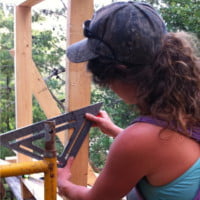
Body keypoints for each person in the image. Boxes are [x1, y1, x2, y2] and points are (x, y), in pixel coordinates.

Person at [57, 2, 200, 200]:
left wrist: (62, 182)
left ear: (118, 69)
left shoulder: (137, 141)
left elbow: (95, 199)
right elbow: (165, 152)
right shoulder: (188, 109)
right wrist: (115, 131)